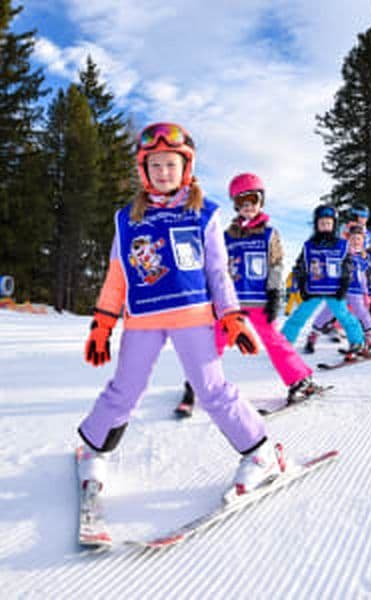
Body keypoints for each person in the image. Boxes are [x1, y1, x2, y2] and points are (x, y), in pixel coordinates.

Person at [77, 122, 283, 500]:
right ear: (143, 170)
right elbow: (117, 275)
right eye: (154, 165)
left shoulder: (203, 213)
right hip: (143, 319)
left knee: (211, 389)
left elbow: (217, 272)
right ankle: (92, 449)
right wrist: (102, 323)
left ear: (185, 167)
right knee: (126, 388)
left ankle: (260, 454)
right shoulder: (127, 219)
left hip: (193, 317)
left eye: (170, 164)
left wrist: (232, 316)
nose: (163, 172)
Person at [177, 172, 324, 414]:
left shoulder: (270, 234)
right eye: (242, 203)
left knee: (274, 341)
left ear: (260, 202)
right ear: (236, 206)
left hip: (259, 300)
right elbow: (216, 267)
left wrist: (276, 295)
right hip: (230, 303)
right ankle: (195, 384)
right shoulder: (226, 236)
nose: (248, 208)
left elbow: (276, 265)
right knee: (214, 342)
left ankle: (299, 380)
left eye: (253, 202)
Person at [281, 204, 367, 359]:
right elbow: (300, 267)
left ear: (334, 225)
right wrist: (302, 287)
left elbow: (347, 267)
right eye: (322, 224)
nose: (326, 227)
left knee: (344, 315)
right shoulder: (309, 245)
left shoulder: (342, 245)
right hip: (313, 289)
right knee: (299, 316)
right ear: (316, 225)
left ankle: (357, 342)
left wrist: (343, 286)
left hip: (334, 290)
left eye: (329, 223)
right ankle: (284, 343)